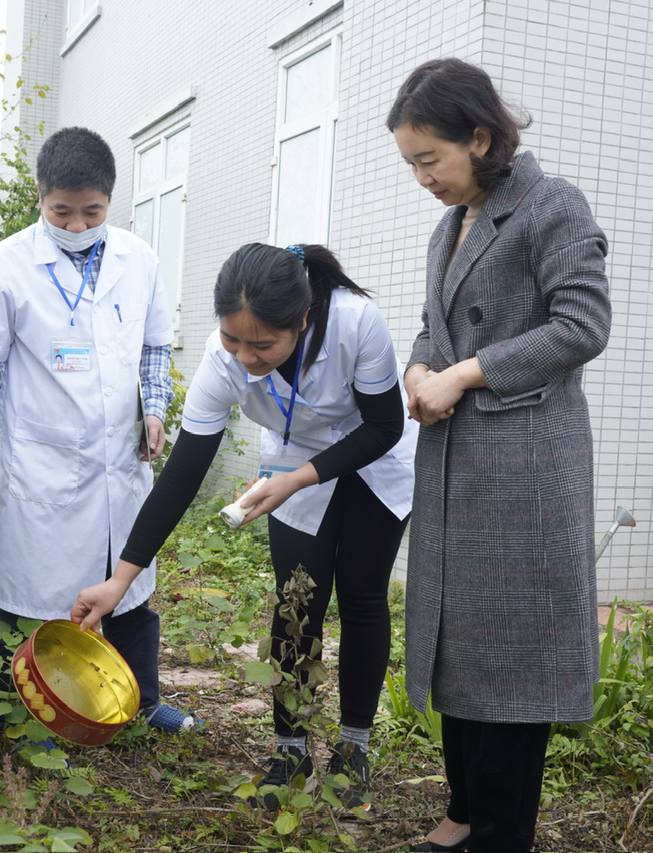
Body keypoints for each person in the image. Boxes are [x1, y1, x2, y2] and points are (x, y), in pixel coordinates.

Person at [71, 242, 417, 813]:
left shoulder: (356, 322)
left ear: (301, 320)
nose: (246, 357)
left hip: (373, 456)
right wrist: (120, 581)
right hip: (292, 454)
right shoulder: (221, 358)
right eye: (233, 340)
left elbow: (384, 425)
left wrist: (301, 478)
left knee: (360, 597)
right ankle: (291, 750)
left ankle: (354, 745)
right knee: (297, 602)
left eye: (263, 345)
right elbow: (180, 477)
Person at [387, 58, 611, 853]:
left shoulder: (551, 206)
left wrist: (464, 374)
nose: (422, 178)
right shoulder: (451, 225)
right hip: (459, 472)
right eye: (411, 163)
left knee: (514, 662)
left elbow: (582, 325)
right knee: (459, 648)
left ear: (479, 138)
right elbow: (433, 327)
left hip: (526, 475)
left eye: (429, 159)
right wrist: (419, 366)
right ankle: (461, 809)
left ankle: (501, 829)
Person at [0, 127, 200, 738]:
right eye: (62, 210)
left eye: (92, 211)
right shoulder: (4, 265)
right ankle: (18, 718)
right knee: (28, 600)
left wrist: (157, 409)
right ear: (41, 197)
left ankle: (140, 705)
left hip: (120, 463)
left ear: (110, 201)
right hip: (42, 462)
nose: (77, 223)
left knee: (133, 596)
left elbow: (154, 347)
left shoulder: (138, 260)